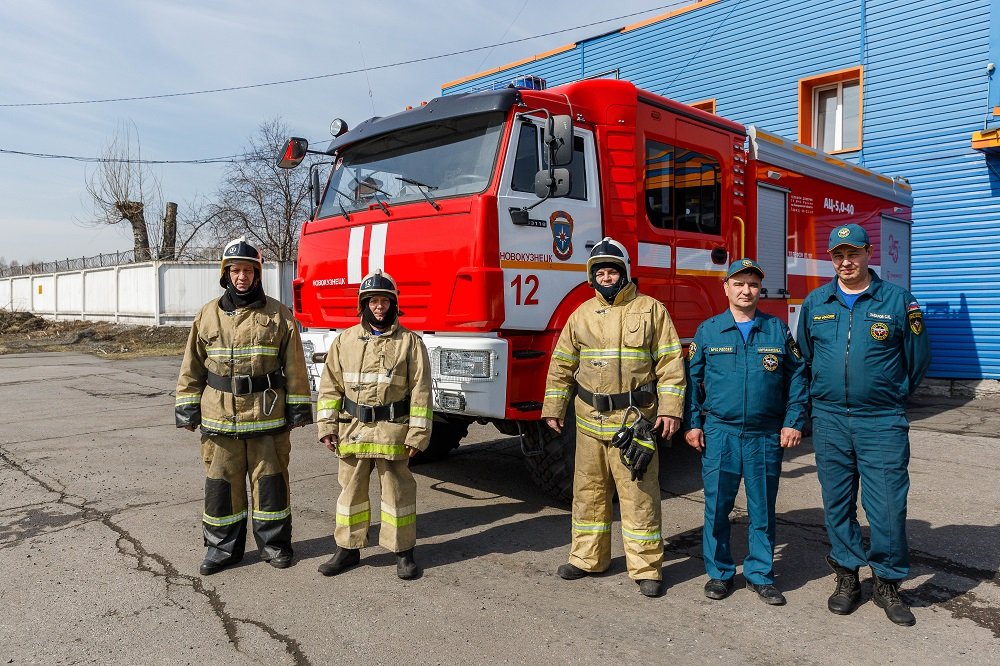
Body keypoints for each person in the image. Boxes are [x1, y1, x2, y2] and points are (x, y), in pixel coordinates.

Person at [798, 223, 931, 626]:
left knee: (888, 506)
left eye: (852, 253)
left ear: (868, 253)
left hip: (881, 421)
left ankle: (888, 583)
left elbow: (917, 359)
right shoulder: (816, 302)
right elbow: (805, 357)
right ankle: (847, 577)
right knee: (837, 504)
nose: (845, 262)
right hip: (830, 420)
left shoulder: (897, 301)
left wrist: (890, 393)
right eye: (837, 255)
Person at [542, 237, 686, 598]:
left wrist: (670, 409)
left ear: (624, 273)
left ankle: (646, 567)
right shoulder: (581, 314)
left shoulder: (651, 310)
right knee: (588, 493)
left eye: (612, 270)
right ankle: (588, 559)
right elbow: (561, 366)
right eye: (600, 272)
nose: (607, 276)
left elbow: (671, 364)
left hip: (633, 423)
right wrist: (553, 408)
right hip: (589, 422)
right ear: (592, 278)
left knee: (639, 495)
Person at [175, 237, 313, 575]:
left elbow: (295, 366)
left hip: (266, 418)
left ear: (257, 274)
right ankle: (221, 550)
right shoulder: (206, 315)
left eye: (248, 271)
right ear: (226, 274)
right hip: (219, 419)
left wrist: (298, 408)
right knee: (221, 488)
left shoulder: (279, 314)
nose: (241, 277)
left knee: (271, 486)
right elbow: (191, 365)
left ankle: (275, 546)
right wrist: (186, 407)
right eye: (235, 270)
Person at [684, 258, 808, 605]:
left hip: (764, 435)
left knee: (762, 509)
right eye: (738, 283)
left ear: (759, 290)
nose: (746, 290)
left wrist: (793, 420)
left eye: (752, 284)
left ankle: (760, 574)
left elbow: (798, 376)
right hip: (720, 433)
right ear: (726, 288)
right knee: (717, 507)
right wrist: (693, 423)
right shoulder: (709, 330)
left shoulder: (777, 330)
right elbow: (691, 382)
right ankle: (720, 573)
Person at [315, 270, 432, 580]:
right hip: (352, 430)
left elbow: (421, 392)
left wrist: (418, 434)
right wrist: (327, 425)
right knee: (350, 494)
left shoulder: (410, 343)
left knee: (398, 495)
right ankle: (347, 550)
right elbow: (329, 388)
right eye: (372, 301)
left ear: (393, 304)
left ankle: (403, 553)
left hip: (393, 431)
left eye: (384, 301)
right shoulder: (344, 341)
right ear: (363, 305)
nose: (378, 307)